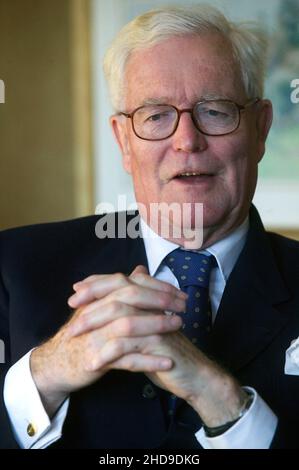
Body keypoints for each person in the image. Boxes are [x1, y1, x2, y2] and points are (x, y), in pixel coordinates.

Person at [1, 5, 299, 450]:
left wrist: (219, 395)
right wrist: (45, 374)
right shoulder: (14, 265)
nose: (187, 140)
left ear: (260, 129)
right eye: (156, 115)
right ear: (123, 141)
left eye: (215, 111)